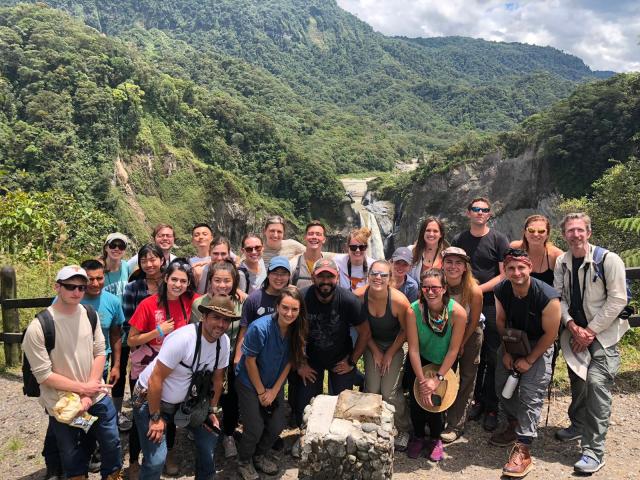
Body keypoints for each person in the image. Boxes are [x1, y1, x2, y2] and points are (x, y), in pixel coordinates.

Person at [22, 265, 122, 479]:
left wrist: (87, 394)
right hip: (63, 404)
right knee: (72, 453)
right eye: (70, 286)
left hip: (95, 396)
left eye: (81, 287)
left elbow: (100, 353)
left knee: (111, 441)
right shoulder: (38, 327)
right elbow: (44, 375)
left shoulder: (90, 314)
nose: (77, 292)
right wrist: (83, 390)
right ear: (57, 287)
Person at [553, 213, 629, 474]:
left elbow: (618, 300)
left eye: (579, 230)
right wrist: (573, 327)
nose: (575, 235)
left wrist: (590, 331)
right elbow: (559, 298)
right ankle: (578, 424)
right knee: (577, 380)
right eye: (570, 231)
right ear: (564, 235)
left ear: (589, 232)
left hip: (604, 334)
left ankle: (593, 451)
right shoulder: (562, 262)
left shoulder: (608, 260)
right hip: (575, 333)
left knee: (597, 384)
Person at [132, 295, 235, 479]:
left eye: (226, 320)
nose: (220, 324)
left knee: (209, 439)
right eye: (216, 317)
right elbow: (155, 379)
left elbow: (218, 379)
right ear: (204, 317)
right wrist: (155, 418)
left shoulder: (224, 343)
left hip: (188, 400)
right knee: (156, 459)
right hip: (152, 399)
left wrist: (211, 410)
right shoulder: (183, 338)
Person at [491, 249, 561, 477]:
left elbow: (551, 334)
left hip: (540, 342)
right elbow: (500, 320)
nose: (516, 272)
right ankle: (513, 422)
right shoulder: (502, 289)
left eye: (521, 267)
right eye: (511, 268)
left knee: (531, 391)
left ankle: (524, 447)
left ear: (529, 267)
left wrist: (530, 360)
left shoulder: (546, 295)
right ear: (505, 270)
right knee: (502, 385)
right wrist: (508, 351)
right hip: (513, 338)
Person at [127, 259, 199, 477]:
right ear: (165, 279)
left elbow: (215, 297)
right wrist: (157, 331)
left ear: (188, 284)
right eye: (174, 279)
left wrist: (239, 294)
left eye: (183, 281)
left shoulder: (191, 301)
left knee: (169, 414)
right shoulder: (148, 304)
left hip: (175, 371)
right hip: (146, 368)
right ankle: (134, 460)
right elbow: (131, 340)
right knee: (141, 416)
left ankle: (165, 454)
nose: (178, 284)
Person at [235, 287, 308, 480]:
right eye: (285, 307)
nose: (289, 313)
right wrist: (261, 393)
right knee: (255, 426)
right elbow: (249, 362)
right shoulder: (260, 328)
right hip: (250, 382)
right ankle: (244, 460)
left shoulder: (297, 329)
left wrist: (274, 391)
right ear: (277, 306)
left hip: (275, 382)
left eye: (294, 309)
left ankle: (259, 455)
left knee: (277, 424)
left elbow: (291, 360)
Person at [452, 197, 510, 431]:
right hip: (463, 302)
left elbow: (504, 273)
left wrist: (476, 290)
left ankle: (492, 406)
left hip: (491, 302)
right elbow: (453, 266)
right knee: (471, 353)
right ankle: (474, 402)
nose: (479, 213)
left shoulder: (498, 239)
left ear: (489, 214)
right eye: (475, 209)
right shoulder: (459, 239)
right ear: (468, 213)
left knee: (492, 355)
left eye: (484, 210)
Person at [294, 258, 371, 427]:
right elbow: (293, 332)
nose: (326, 281)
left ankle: (357, 376)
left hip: (340, 358)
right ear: (313, 278)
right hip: (312, 360)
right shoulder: (302, 298)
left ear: (337, 278)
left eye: (330, 276)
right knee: (305, 409)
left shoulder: (348, 300)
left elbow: (365, 332)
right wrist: (300, 363)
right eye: (321, 277)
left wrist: (351, 361)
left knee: (343, 408)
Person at [405, 269, 465, 461]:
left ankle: (435, 439)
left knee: (439, 403)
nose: (430, 292)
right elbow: (412, 348)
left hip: (444, 362)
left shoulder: (458, 313)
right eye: (426, 287)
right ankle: (419, 436)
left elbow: (454, 350)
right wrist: (423, 382)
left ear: (444, 289)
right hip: (419, 358)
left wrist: (437, 378)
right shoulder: (413, 310)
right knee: (417, 401)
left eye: (435, 288)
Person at [354, 260, 411, 450]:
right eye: (374, 274)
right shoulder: (359, 297)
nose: (378, 278)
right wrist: (377, 352)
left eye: (383, 275)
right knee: (372, 388)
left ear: (390, 279)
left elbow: (405, 331)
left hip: (395, 344)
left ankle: (403, 428)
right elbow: (361, 329)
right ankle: (373, 425)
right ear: (368, 275)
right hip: (372, 344)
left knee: (389, 391)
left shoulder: (398, 300)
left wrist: (389, 354)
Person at [191, 259, 244, 459]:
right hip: (206, 359)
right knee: (204, 395)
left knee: (231, 398)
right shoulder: (200, 304)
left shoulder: (241, 302)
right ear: (210, 281)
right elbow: (195, 333)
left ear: (234, 282)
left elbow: (242, 332)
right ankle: (201, 430)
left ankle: (228, 434)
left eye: (227, 281)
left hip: (230, 359)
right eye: (217, 280)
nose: (222, 285)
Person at [115, 244, 165, 442]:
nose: (149, 264)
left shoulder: (171, 283)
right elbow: (128, 324)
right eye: (144, 260)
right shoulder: (133, 288)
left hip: (168, 350)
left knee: (166, 402)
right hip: (142, 353)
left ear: (162, 260)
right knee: (139, 402)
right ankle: (136, 456)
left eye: (153, 259)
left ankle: (164, 449)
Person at [440, 247, 483, 443]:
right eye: (449, 262)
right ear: (442, 264)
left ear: (465, 267)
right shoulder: (438, 285)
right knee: (444, 373)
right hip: (445, 332)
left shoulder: (473, 290)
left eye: (458, 263)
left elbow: (474, 320)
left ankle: (456, 423)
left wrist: (462, 343)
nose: (453, 266)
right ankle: (438, 415)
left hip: (470, 334)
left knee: (466, 377)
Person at [234, 256, 291, 366]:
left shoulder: (290, 300)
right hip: (254, 356)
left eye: (283, 273)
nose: (279, 277)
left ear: (289, 276)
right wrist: (238, 357)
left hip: (279, 358)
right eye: (275, 273)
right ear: (268, 274)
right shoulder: (254, 298)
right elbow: (244, 330)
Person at [510, 215, 563, 286]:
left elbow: (562, 286)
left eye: (541, 231)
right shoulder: (515, 248)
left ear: (547, 234)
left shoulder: (556, 255)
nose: (535, 234)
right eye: (531, 230)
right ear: (525, 232)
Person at [290, 220, 333, 289]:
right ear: (305, 237)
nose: (314, 237)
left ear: (324, 239)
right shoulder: (293, 265)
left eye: (318, 234)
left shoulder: (331, 266)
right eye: (310, 234)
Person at [334, 227, 376, 291]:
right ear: (347, 247)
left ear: (366, 248)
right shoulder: (338, 261)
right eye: (353, 247)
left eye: (362, 247)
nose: (357, 250)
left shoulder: (374, 265)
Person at [408, 217, 447, 282]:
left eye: (435, 231)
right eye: (428, 230)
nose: (431, 234)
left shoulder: (446, 255)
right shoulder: (411, 251)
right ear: (423, 233)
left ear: (441, 234)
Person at [102, 232, 132, 298]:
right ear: (106, 248)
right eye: (113, 245)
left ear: (124, 250)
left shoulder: (126, 266)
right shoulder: (99, 269)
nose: (117, 249)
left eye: (121, 246)